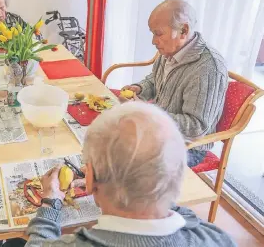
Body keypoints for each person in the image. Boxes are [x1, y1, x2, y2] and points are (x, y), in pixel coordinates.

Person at [25, 102, 236, 247]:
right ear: (178, 176)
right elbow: (188, 219)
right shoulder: (217, 239)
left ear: (89, 180)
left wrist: (50, 205)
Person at [120, 0, 228, 167]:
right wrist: (140, 88)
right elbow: (154, 81)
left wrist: (150, 113)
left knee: (133, 162)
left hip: (188, 147)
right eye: (152, 33)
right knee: (112, 134)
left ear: (183, 30)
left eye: (158, 33)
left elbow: (196, 127)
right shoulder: (170, 51)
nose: (153, 41)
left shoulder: (208, 68)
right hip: (160, 131)